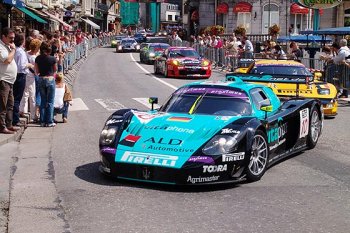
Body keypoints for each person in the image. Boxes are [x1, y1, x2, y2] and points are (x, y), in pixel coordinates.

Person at [0, 27, 20, 134]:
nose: (13, 40)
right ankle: (2, 127)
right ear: (3, 36)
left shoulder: (7, 46)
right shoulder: (1, 47)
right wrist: (13, 50)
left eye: (13, 38)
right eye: (10, 38)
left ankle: (9, 124)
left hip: (10, 80)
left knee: (10, 104)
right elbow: (7, 60)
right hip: (3, 80)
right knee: (3, 105)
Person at [35, 42, 57, 127]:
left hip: (41, 79)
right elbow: (55, 70)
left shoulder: (37, 58)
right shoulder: (52, 59)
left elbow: (37, 71)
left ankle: (42, 121)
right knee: (50, 101)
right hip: (50, 78)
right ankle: (50, 121)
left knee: (43, 101)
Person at [20, 39, 41, 122]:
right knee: (32, 95)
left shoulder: (25, 53)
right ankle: (33, 115)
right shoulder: (35, 57)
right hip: (32, 76)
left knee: (24, 93)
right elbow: (36, 69)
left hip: (25, 75)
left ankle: (22, 110)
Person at [13, 33, 30, 126]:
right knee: (17, 98)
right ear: (22, 41)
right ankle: (15, 119)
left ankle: (14, 118)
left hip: (15, 75)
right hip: (20, 75)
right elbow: (22, 66)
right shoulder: (21, 52)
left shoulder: (14, 50)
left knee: (15, 98)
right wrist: (29, 64)